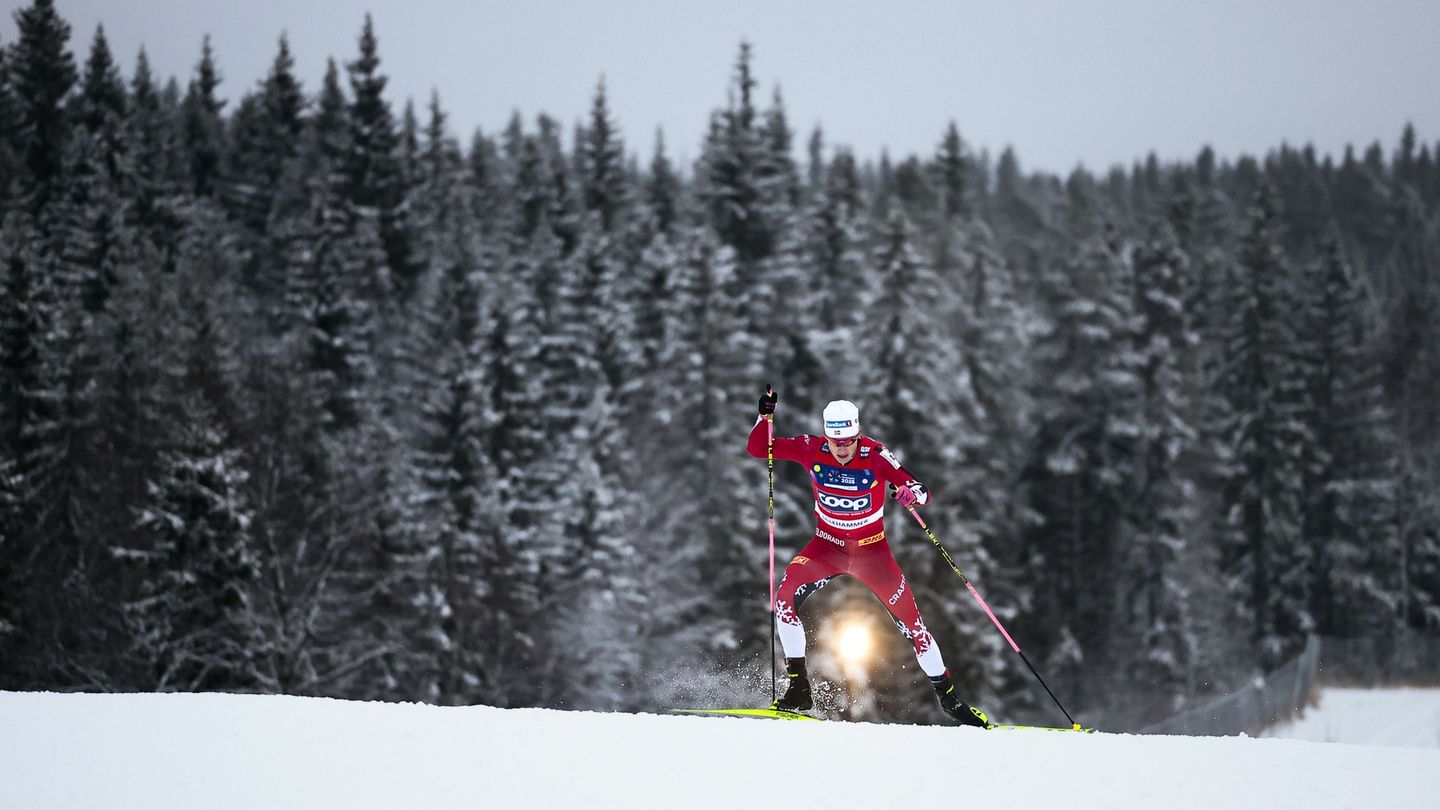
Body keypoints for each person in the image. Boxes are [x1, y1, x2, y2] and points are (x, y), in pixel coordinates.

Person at [747, 386, 988, 727]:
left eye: (849, 441)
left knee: (916, 628)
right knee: (783, 600)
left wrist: (909, 494)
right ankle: (799, 689)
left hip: (872, 553)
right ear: (826, 436)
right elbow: (759, 448)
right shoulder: (810, 448)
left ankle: (949, 699)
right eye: (836, 441)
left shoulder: (875, 455)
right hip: (826, 547)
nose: (843, 448)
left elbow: (921, 489)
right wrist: (764, 416)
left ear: (858, 434)